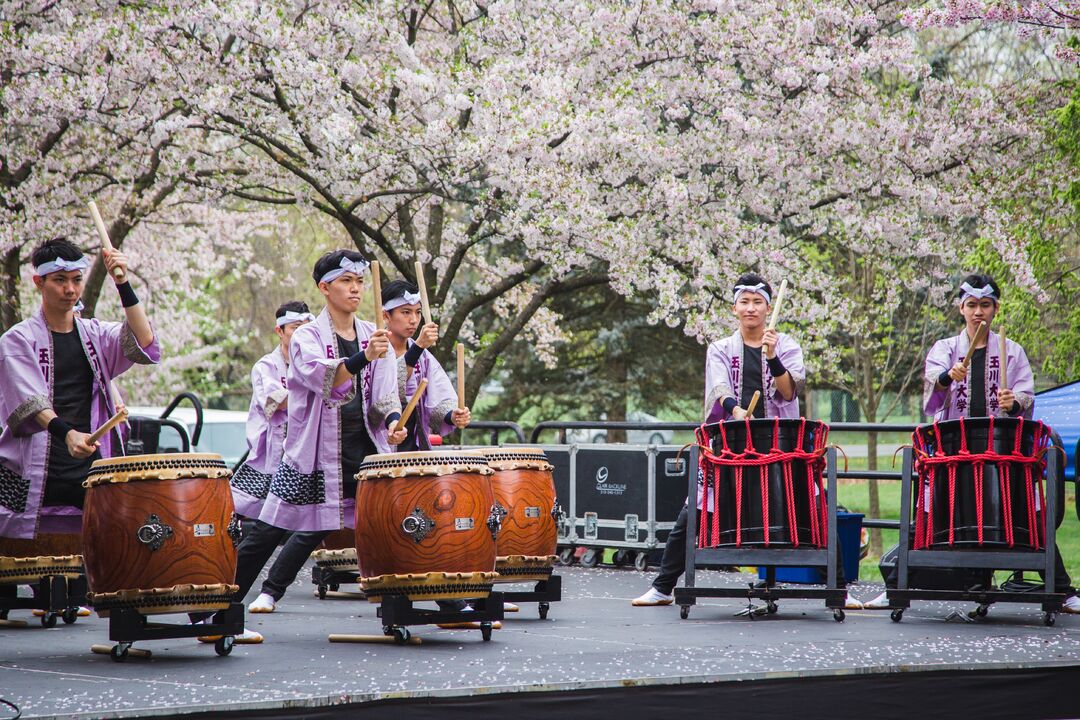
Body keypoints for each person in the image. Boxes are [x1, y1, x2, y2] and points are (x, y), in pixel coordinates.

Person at [194, 250, 404, 642]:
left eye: (359, 281)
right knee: (267, 532)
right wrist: (363, 356)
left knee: (399, 524)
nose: (355, 288)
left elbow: (386, 399)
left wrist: (394, 424)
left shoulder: (375, 337)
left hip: (365, 453)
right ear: (325, 288)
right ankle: (213, 609)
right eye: (345, 281)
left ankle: (433, 602)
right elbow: (319, 379)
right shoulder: (308, 337)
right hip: (311, 456)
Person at [632, 273, 862, 609]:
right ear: (734, 308)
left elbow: (789, 390)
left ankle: (839, 589)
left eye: (758, 302)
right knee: (694, 508)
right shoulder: (720, 349)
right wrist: (736, 410)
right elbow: (719, 390)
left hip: (783, 446)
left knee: (816, 506)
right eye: (745, 302)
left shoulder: (786, 346)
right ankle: (663, 587)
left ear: (768, 308)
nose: (751, 308)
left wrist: (772, 357)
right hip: (732, 443)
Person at [865, 273, 1079, 612]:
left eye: (985, 305)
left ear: (995, 309)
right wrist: (947, 377)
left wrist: (1016, 401)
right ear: (960, 309)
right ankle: (896, 586)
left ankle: (1062, 590)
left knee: (1023, 516)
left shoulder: (1011, 350)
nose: (978, 312)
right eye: (971, 305)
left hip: (1001, 452)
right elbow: (932, 400)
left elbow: (1026, 395)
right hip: (954, 451)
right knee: (931, 517)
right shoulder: (945, 349)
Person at [0, 238, 159, 541]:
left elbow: (144, 339)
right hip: (33, 470)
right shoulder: (18, 340)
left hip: (88, 468)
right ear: (39, 282)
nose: (70, 290)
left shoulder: (95, 335)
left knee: (99, 558)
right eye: (60, 281)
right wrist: (67, 433)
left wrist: (122, 283)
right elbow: (30, 402)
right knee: (26, 566)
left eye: (76, 280)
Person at [229, 301, 319, 614]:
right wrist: (316, 387)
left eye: (307, 329)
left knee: (313, 525)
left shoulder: (314, 361)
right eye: (295, 329)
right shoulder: (266, 367)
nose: (301, 335)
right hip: (273, 459)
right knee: (266, 528)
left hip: (309, 457)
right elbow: (276, 402)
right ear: (279, 331)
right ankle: (220, 596)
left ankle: (267, 590)